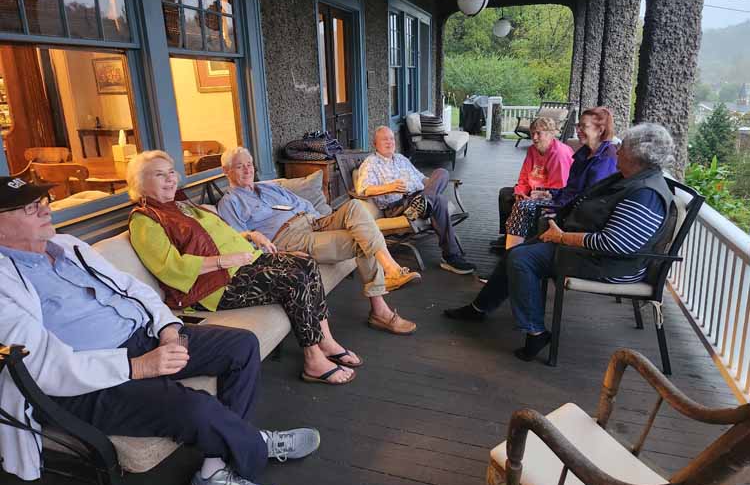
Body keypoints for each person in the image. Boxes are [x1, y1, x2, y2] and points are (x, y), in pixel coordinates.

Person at [0, 176, 320, 485]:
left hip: (145, 338)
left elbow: (133, 289)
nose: (44, 211)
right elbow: (39, 367)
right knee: (194, 407)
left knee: (241, 345)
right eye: (29, 208)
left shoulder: (67, 246)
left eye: (42, 203)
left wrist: (169, 329)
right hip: (89, 380)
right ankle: (256, 443)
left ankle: (214, 473)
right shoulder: (3, 283)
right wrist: (138, 367)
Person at [445, 123, 675, 363]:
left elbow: (615, 243)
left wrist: (562, 236)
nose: (617, 151)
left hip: (610, 265)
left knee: (522, 259)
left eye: (623, 148)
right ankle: (480, 308)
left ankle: (535, 331)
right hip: (590, 252)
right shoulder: (630, 179)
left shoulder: (645, 193)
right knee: (519, 251)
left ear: (638, 156)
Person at [126, 151, 358, 385]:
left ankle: (325, 340)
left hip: (242, 263)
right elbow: (170, 268)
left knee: (305, 262)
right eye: (159, 174)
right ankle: (313, 359)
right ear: (141, 183)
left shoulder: (181, 205)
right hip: (210, 286)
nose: (170, 179)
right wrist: (223, 261)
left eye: (171, 172)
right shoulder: (145, 220)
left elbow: (218, 234)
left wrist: (248, 234)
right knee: (293, 279)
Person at [217, 147, 419, 336]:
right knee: (360, 241)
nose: (247, 169)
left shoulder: (269, 189)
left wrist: (319, 221)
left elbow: (302, 203)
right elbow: (238, 240)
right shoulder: (230, 202)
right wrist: (271, 249)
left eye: (250, 164)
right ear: (226, 171)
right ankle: (381, 310)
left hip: (312, 221)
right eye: (239, 166)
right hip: (289, 237)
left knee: (355, 206)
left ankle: (390, 267)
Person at [355, 126, 475, 274]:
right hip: (398, 206)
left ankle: (424, 202)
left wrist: (434, 183)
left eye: (392, 138)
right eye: (384, 139)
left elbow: (423, 179)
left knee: (442, 173)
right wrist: (389, 187)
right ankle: (451, 257)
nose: (390, 142)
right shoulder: (370, 163)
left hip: (417, 198)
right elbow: (363, 189)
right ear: (375, 144)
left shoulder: (401, 158)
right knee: (439, 201)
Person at [502, 107, 619, 250]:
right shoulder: (584, 153)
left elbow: (590, 199)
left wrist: (556, 205)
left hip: (572, 210)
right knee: (509, 195)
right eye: (578, 125)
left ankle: (512, 251)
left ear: (600, 130)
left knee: (523, 206)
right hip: (560, 199)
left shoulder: (604, 159)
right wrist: (550, 193)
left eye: (584, 126)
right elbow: (569, 188)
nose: (578, 130)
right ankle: (510, 245)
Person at [491, 117, 574, 252]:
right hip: (534, 192)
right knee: (506, 194)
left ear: (550, 134)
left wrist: (534, 196)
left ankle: (515, 246)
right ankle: (507, 235)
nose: (534, 137)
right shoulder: (533, 150)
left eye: (539, 133)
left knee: (522, 206)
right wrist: (520, 192)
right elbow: (524, 177)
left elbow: (558, 189)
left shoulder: (559, 154)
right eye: (532, 133)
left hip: (552, 197)